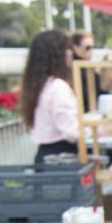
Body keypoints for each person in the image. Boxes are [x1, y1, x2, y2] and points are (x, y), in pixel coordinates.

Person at [18, 29, 78, 162]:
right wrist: (99, 131)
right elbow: (72, 131)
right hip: (62, 156)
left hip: (45, 154)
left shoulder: (39, 86)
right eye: (66, 48)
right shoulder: (58, 87)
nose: (70, 53)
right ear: (57, 54)